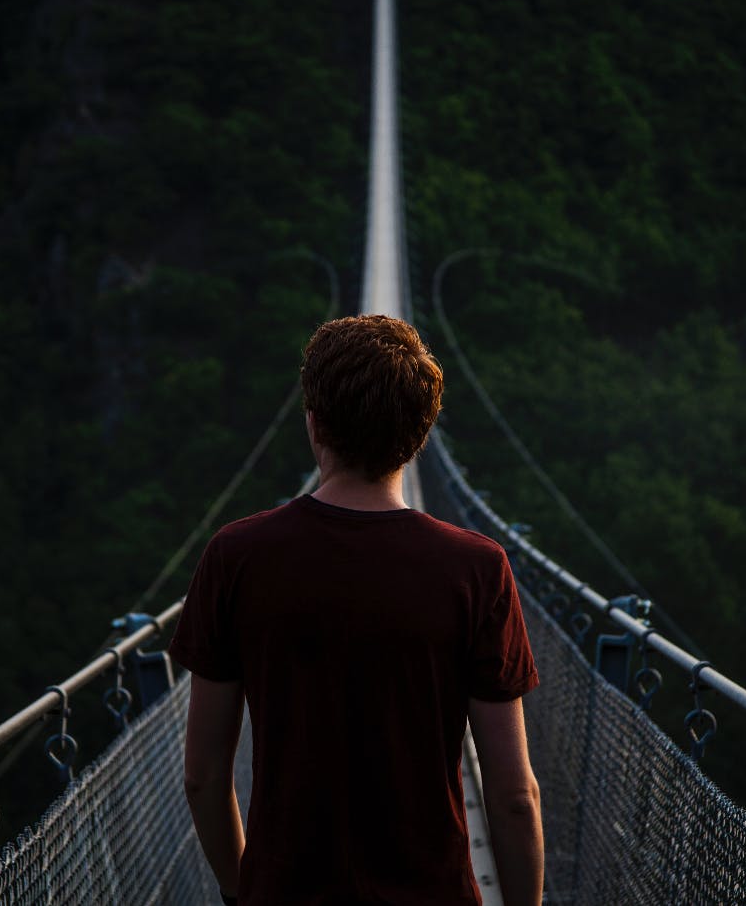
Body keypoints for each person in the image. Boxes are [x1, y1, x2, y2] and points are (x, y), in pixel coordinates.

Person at [169, 314, 543, 906]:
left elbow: (202, 776)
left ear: (313, 422)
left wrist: (245, 891)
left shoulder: (235, 558)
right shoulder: (477, 570)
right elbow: (513, 793)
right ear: (421, 434)